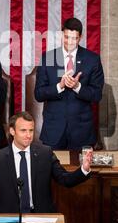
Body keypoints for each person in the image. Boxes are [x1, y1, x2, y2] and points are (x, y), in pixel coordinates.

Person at [0, 111, 93, 213]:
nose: (28, 135)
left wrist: (84, 169)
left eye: (31, 130)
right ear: (12, 131)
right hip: (9, 219)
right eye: (23, 130)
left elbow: (65, 179)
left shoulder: (45, 153)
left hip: (41, 218)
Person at [35, 17, 104, 150]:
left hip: (82, 132)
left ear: (80, 37)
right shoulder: (48, 58)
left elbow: (97, 95)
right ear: (62, 35)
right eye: (66, 37)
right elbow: (38, 94)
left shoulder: (92, 59)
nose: (70, 42)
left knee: (81, 170)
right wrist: (59, 86)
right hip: (53, 130)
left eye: (74, 38)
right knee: (51, 170)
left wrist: (77, 87)